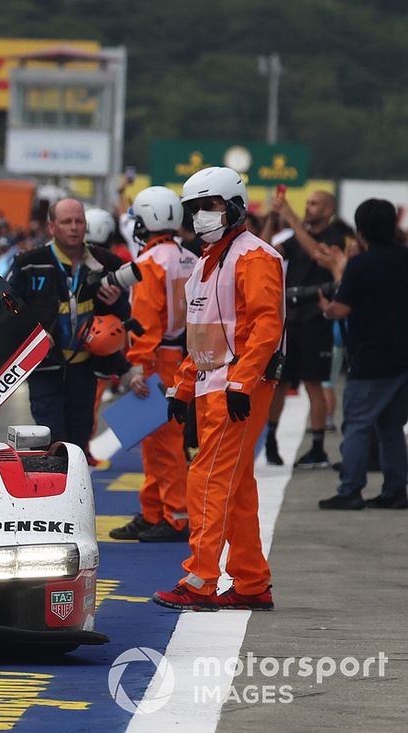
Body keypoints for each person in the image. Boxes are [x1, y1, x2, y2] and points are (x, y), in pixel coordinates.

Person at [151, 167, 284, 612]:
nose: (202, 216)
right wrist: (182, 388)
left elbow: (267, 325)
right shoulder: (206, 265)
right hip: (214, 386)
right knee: (236, 486)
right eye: (196, 209)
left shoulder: (255, 257)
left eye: (211, 206)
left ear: (236, 208)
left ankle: (201, 579)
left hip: (239, 387)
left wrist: (243, 381)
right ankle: (250, 582)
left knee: (206, 478)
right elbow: (201, 335)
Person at [8, 198, 129, 456]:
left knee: (78, 442)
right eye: (66, 222)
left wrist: (117, 303)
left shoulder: (107, 262)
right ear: (51, 227)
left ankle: (77, 494)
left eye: (79, 221)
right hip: (45, 369)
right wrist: (33, 332)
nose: (74, 227)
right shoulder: (28, 263)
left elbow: (124, 315)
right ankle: (53, 492)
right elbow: (7, 309)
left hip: (86, 370)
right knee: (53, 441)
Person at [111, 186, 198, 542]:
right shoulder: (188, 256)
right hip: (181, 354)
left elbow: (146, 321)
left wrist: (136, 366)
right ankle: (154, 511)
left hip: (159, 357)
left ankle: (175, 516)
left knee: (164, 445)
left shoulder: (149, 263)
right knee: (157, 441)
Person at [317, 199, 408, 510]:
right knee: (391, 427)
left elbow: (341, 308)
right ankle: (396, 490)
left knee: (357, 424)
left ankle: (350, 489)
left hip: (370, 359)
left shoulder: (360, 264)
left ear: (362, 231)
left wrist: (327, 309)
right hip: (403, 358)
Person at [261, 190, 348, 468]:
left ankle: (318, 446)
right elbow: (263, 250)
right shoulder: (294, 238)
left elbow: (318, 255)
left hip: (316, 317)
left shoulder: (334, 238)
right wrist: (273, 219)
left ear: (328, 210)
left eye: (314, 204)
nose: (308, 208)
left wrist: (291, 218)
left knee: (314, 383)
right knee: (279, 383)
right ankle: (271, 439)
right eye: (307, 203)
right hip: (290, 318)